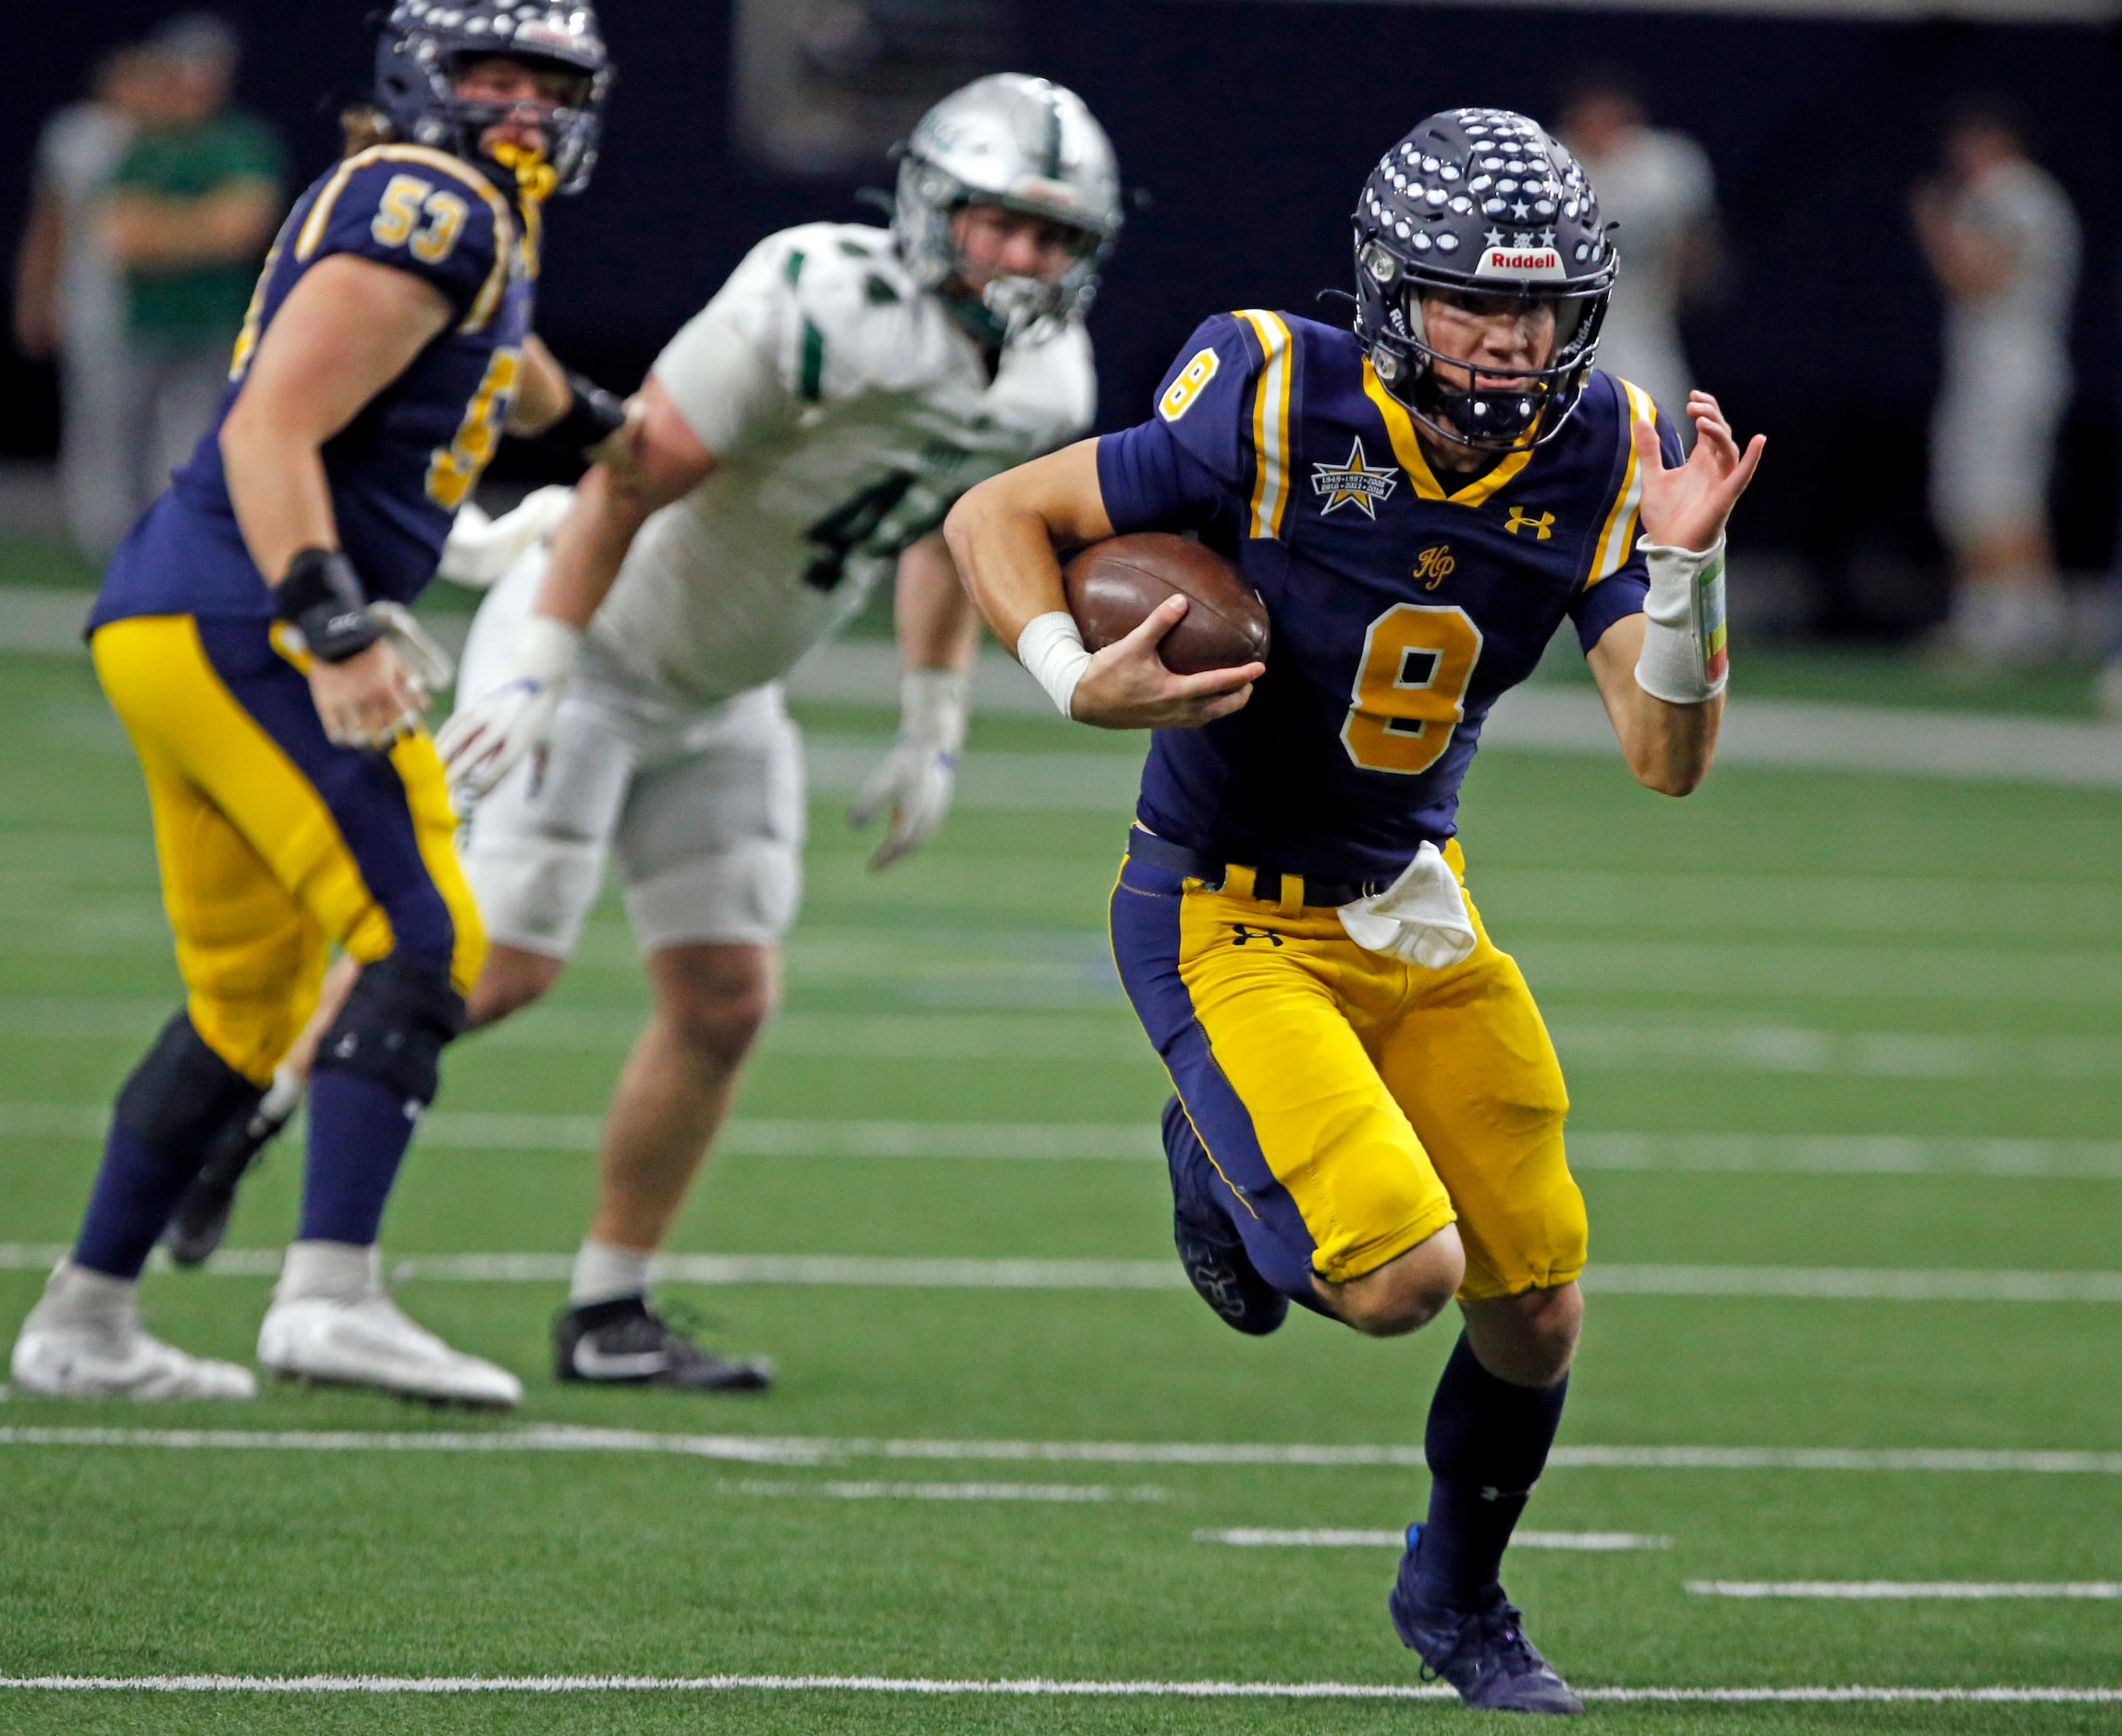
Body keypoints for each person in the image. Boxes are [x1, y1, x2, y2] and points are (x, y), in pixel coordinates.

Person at [946, 106, 1762, 1713]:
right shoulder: (1271, 388)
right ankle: (1209, 1148)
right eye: (1470, 298)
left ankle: (1456, 1593)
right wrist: (1071, 676)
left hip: (1409, 896)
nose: (1508, 336)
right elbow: (998, 517)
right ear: (1393, 290)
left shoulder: (1600, 446)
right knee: (1401, 1282)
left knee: (1534, 1297)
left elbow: (1665, 759)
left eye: (1534, 305)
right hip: (1222, 903)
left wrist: (1687, 576)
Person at [172, 73, 1116, 1394]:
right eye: (1000, 222)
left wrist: (932, 705)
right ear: (931, 203)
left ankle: (607, 1305)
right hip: (595, 646)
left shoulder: (1045, 374)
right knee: (493, 969)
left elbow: (962, 532)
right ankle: (244, 1105)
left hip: (725, 693)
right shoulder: (811, 298)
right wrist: (539, 662)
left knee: (725, 997)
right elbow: (628, 472)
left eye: (1054, 235)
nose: (1024, 257)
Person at [8, 0, 632, 1406]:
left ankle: (83, 1321)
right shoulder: (428, 200)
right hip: (249, 622)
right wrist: (332, 622)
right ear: (427, 80)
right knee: (422, 931)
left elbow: (501, 375)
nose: (522, 107)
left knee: (247, 1006)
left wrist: (614, 431)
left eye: (548, 84)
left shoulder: (467, 217)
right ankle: (330, 1291)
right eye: (492, 76)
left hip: (178, 622)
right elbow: (270, 426)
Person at [101, 15, 288, 535]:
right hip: (145, 319)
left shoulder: (240, 140)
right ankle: (127, 539)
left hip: (215, 317)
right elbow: (121, 235)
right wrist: (201, 226)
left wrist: (165, 229)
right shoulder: (146, 143)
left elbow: (242, 229)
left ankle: (195, 532)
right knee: (127, 439)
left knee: (208, 436)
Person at [1912, 98, 2079, 666]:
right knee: (1978, 496)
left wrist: (1935, 224)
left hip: (2007, 369)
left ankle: (2011, 626)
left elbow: (1977, 278)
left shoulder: (2012, 195)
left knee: (1997, 496)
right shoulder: (2023, 197)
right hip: (2003, 367)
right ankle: (2002, 620)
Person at [14, 45, 164, 558]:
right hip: (94, 297)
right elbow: (50, 222)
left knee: (163, 421)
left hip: (162, 303)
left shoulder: (170, 133)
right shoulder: (80, 135)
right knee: (99, 419)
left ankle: (157, 526)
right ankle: (100, 530)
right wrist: (35, 294)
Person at [1554, 73, 1717, 437]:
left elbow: (1697, 241)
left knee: (1663, 424)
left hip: (1642, 323)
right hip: (1565, 330)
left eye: (1609, 118)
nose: (1599, 129)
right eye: (1591, 118)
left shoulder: (1665, 165)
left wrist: (1677, 293)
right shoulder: (1550, 164)